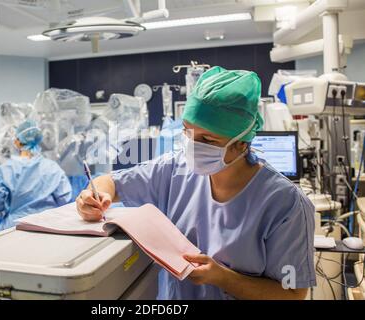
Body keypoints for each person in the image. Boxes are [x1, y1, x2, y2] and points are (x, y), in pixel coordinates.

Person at [76, 66, 316, 300]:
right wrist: (93, 197)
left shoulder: (285, 203)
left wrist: (222, 278)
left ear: (242, 143)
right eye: (187, 132)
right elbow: (109, 182)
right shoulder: (173, 170)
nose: (192, 146)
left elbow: (293, 293)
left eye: (208, 139)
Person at [0, 119, 72, 230]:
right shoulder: (52, 168)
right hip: (47, 227)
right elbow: (64, 199)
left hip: (15, 227)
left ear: (17, 142)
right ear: (38, 140)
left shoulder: (5, 169)